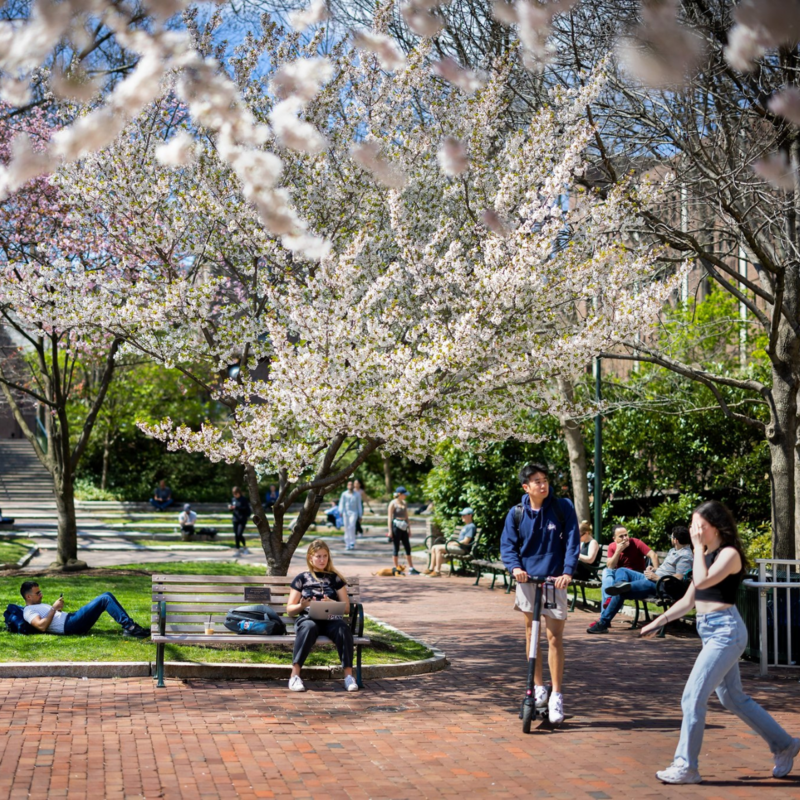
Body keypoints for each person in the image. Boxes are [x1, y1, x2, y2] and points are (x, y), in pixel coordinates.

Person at [640, 501, 799, 784]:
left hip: (726, 632)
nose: (694, 531)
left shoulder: (728, 555)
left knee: (692, 697)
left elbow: (701, 581)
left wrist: (698, 550)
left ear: (716, 526)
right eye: (692, 526)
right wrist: (658, 621)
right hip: (710, 632)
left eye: (699, 526)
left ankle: (686, 766)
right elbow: (690, 600)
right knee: (732, 697)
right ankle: (785, 745)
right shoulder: (708, 555)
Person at [500, 462, 580, 726]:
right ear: (526, 487)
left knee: (554, 637)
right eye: (537, 481)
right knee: (531, 634)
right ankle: (538, 688)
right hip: (527, 580)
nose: (543, 484)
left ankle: (556, 694)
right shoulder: (517, 513)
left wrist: (567, 571)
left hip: (555, 580)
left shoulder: (562, 507)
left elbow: (572, 540)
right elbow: (508, 545)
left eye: (545, 479)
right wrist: (515, 568)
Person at [587, 525, 692, 633]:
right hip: (653, 578)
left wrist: (657, 577)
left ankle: (603, 623)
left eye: (672, 537)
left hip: (660, 585)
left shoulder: (685, 555)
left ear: (675, 540)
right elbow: (667, 570)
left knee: (622, 592)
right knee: (622, 570)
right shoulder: (674, 550)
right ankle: (620, 584)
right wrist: (654, 569)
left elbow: (679, 577)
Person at [286, 539, 359, 693]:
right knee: (308, 627)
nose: (322, 560)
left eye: (325, 556)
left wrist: (332, 602)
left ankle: (348, 677)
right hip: (308, 618)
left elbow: (346, 608)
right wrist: (302, 605)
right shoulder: (302, 578)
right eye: (318, 556)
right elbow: (290, 610)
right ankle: (295, 676)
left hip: (331, 619)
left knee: (343, 629)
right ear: (310, 558)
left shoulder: (335, 579)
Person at [586, 525, 659, 633]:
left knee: (620, 572)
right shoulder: (612, 547)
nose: (625, 538)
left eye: (626, 535)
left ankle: (611, 599)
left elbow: (653, 555)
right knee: (610, 572)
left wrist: (655, 570)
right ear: (614, 539)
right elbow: (610, 566)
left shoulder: (636, 542)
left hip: (636, 577)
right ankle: (618, 588)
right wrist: (618, 551)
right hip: (622, 577)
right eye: (621, 536)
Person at [20, 581, 150, 638]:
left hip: (71, 619)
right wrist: (54, 608)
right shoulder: (28, 611)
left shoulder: (37, 605)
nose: (41, 594)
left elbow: (51, 620)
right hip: (71, 625)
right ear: (28, 596)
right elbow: (41, 626)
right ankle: (131, 628)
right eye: (38, 593)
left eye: (40, 591)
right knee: (105, 598)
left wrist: (57, 609)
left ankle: (130, 627)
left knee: (106, 596)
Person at [424, 507, 476, 577]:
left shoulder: (471, 527)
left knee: (438, 549)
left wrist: (453, 543)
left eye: (464, 515)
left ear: (470, 515)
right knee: (434, 547)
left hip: (463, 549)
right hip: (458, 546)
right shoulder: (466, 526)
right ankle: (431, 569)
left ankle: (437, 571)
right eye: (462, 515)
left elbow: (466, 541)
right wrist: (452, 543)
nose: (462, 517)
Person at [387, 487, 420, 575]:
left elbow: (407, 517)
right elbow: (389, 517)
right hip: (396, 526)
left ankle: (411, 567)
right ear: (399, 494)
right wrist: (390, 530)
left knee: (407, 547)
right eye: (404, 494)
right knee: (396, 547)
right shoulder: (393, 503)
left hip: (404, 526)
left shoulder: (404, 503)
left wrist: (409, 529)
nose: (405, 496)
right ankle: (396, 568)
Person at [338, 480, 363, 551]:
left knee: (352, 526)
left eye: (351, 485)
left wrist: (360, 515)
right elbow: (341, 503)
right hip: (346, 513)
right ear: (347, 486)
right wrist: (340, 511)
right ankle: (347, 543)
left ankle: (352, 542)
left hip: (354, 513)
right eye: (349, 485)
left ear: (353, 486)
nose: (350, 486)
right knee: (346, 527)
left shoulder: (357, 494)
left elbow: (359, 505)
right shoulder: (344, 494)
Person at [228, 486, 251, 554]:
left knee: (239, 534)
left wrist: (237, 507)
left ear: (239, 493)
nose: (235, 495)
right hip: (235, 519)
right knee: (236, 534)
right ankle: (237, 548)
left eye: (236, 494)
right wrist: (230, 508)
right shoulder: (233, 499)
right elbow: (231, 508)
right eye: (234, 494)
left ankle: (244, 546)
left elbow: (246, 509)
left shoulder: (243, 499)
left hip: (242, 519)